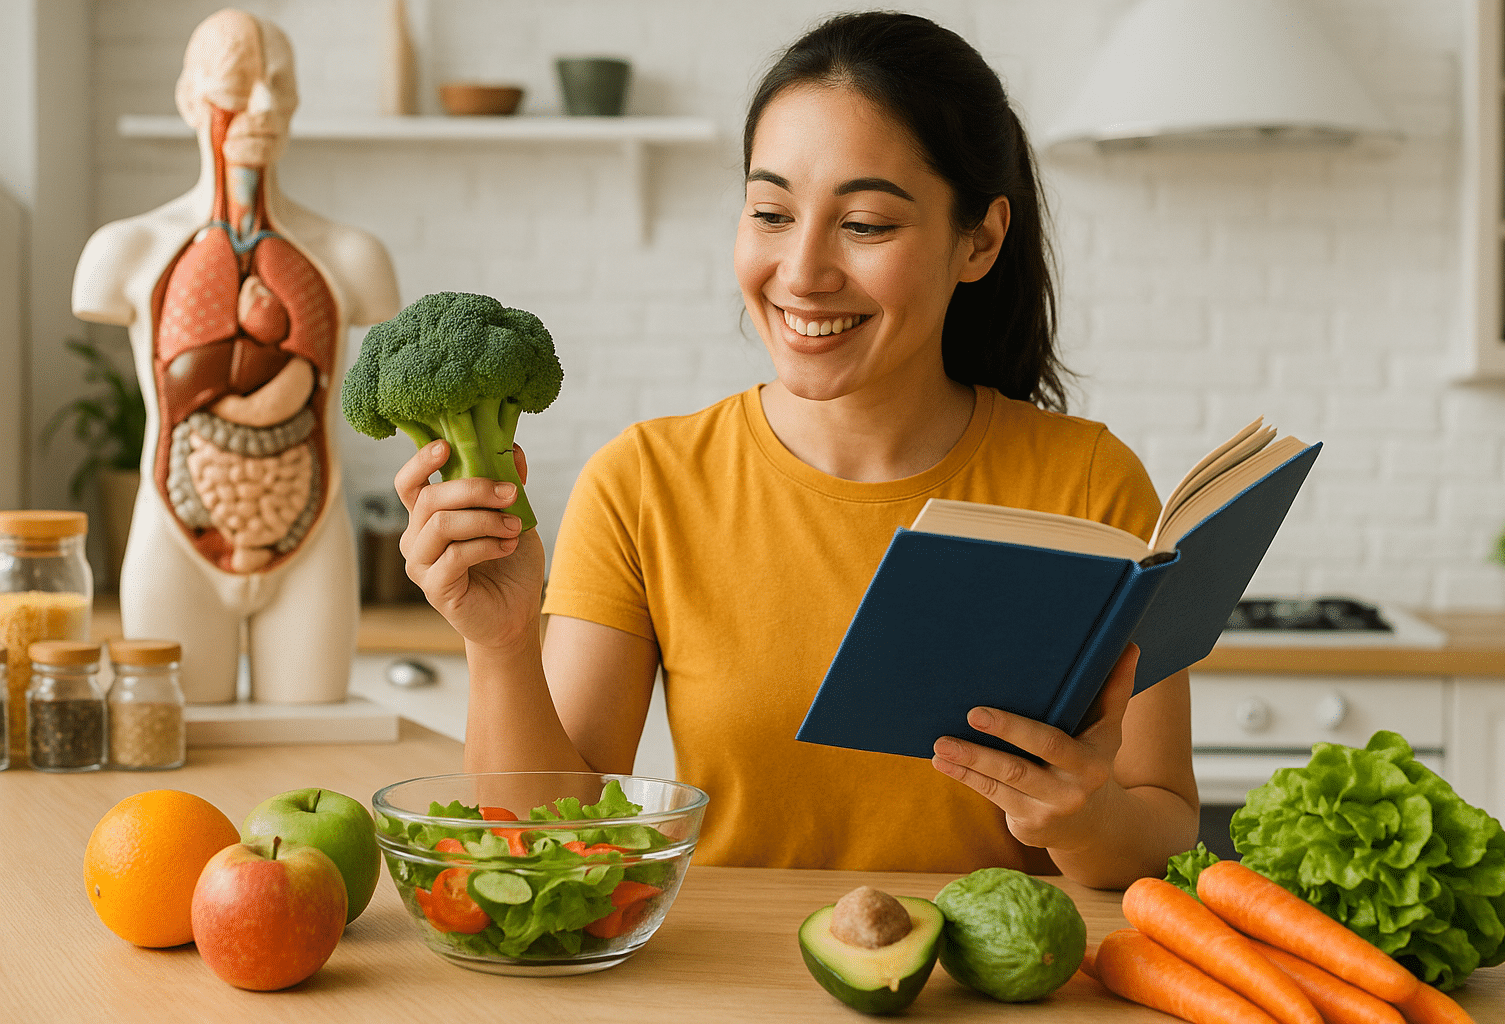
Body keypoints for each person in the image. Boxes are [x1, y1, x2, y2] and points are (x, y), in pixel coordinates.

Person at [395, 10, 1197, 889]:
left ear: (980, 239)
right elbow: (547, 842)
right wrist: (501, 644)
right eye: (771, 212)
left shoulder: (1088, 483)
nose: (803, 271)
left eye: (865, 225)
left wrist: (1085, 820)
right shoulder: (646, 482)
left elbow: (1160, 829)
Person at [73, 9, 401, 705]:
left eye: (279, 86)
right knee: (179, 753)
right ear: (190, 98)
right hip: (177, 532)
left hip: (310, 532)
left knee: (312, 743)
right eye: (236, 84)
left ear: (298, 100)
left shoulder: (351, 257)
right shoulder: (124, 253)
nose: (261, 106)